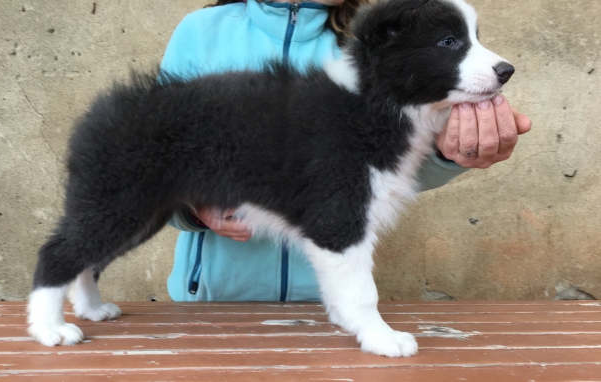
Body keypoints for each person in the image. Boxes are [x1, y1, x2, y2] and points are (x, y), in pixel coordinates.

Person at [160, 0, 532, 302]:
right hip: (212, 303)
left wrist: (449, 155)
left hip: (328, 306)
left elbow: (387, 172)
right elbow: (157, 162)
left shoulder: (376, 39)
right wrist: (193, 209)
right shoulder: (200, 33)